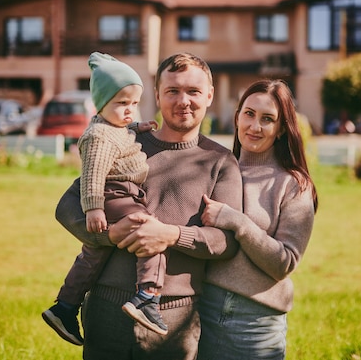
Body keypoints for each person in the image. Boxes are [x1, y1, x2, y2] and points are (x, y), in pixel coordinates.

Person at [54, 52, 243, 359]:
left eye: (193, 91)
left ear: (210, 95)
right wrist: (109, 235)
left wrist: (171, 235)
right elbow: (67, 207)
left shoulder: (220, 162)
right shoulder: (123, 143)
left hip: (173, 317)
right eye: (173, 91)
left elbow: (227, 243)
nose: (183, 100)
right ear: (156, 95)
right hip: (105, 306)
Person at [43, 52, 167, 345]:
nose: (129, 111)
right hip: (115, 194)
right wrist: (94, 208)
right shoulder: (99, 136)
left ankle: (65, 307)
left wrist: (139, 128)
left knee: (93, 253)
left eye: (134, 104)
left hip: (115, 195)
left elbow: (121, 133)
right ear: (101, 102)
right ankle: (147, 295)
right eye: (122, 103)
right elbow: (93, 174)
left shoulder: (112, 128)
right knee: (150, 231)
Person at [197, 79, 318, 360]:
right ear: (237, 116)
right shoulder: (214, 169)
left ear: (280, 129)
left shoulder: (293, 185)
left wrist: (237, 222)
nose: (255, 126)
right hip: (202, 308)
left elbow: (284, 263)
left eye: (267, 119)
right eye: (249, 114)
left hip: (255, 323)